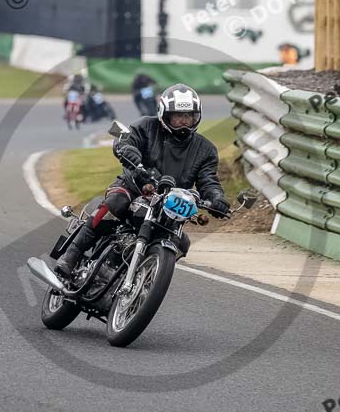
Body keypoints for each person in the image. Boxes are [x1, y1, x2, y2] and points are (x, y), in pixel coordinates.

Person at [56, 83, 231, 277]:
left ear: (196, 117)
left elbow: (209, 180)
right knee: (116, 202)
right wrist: (127, 150)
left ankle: (146, 276)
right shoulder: (146, 126)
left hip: (168, 206)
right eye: (178, 116)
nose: (183, 122)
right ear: (165, 115)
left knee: (182, 242)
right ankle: (72, 255)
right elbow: (125, 139)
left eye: (188, 117)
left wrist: (217, 198)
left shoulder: (205, 150)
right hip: (134, 187)